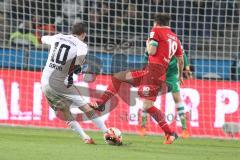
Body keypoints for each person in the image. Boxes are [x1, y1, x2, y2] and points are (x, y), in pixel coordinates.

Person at [89, 13, 184, 144]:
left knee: (147, 105)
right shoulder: (175, 38)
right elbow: (180, 59)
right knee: (119, 78)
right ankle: (100, 103)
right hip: (155, 72)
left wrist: (148, 44)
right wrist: (180, 75)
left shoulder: (156, 30)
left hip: (153, 72)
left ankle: (170, 132)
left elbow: (151, 51)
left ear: (156, 23)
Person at [41, 23, 108, 144]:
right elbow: (79, 62)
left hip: (45, 82)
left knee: (64, 111)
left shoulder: (57, 36)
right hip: (62, 83)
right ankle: (107, 132)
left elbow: (43, 38)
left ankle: (85, 137)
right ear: (83, 35)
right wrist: (79, 68)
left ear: (72, 32)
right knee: (85, 107)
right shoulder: (81, 45)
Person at [139, 52, 191, 138]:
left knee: (177, 98)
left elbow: (182, 55)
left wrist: (187, 67)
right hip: (157, 74)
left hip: (171, 75)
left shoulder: (174, 41)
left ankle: (184, 129)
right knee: (148, 99)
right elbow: (146, 54)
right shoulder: (154, 42)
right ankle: (143, 127)